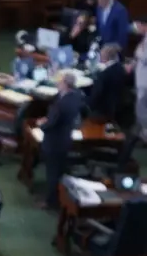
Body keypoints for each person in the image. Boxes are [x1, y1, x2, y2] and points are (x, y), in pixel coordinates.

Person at [37, 71, 85, 209]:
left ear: (65, 84)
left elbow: (51, 123)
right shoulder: (76, 96)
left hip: (54, 142)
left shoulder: (61, 104)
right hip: (65, 139)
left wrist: (42, 125)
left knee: (52, 173)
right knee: (59, 171)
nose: (57, 84)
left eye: (59, 82)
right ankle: (59, 198)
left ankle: (51, 202)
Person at [85, 44, 126, 124]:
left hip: (102, 112)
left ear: (105, 57)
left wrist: (84, 101)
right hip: (116, 108)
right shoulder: (120, 69)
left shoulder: (104, 75)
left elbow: (95, 97)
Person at [133, 24, 147, 139]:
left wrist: (138, 51)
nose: (137, 28)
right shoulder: (144, 38)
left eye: (138, 25)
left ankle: (145, 134)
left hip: (144, 80)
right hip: (141, 78)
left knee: (141, 107)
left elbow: (144, 57)